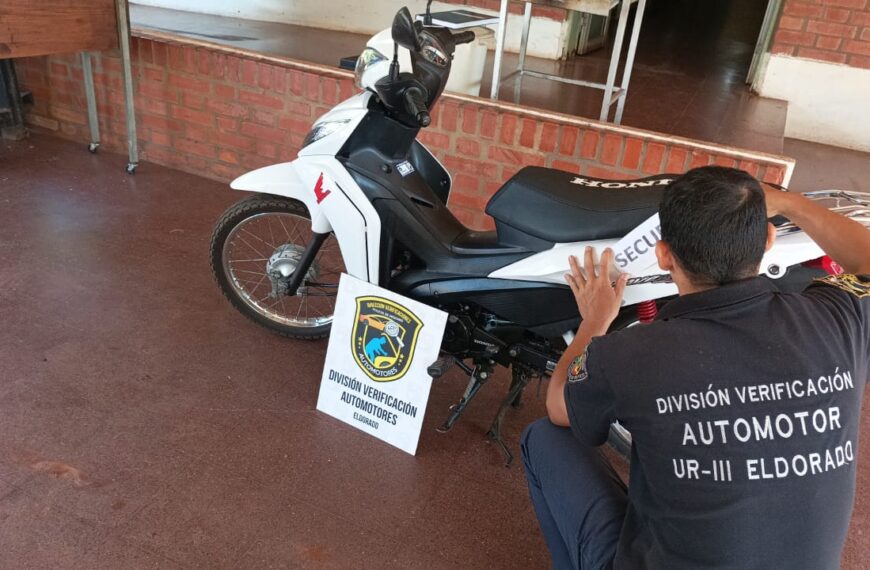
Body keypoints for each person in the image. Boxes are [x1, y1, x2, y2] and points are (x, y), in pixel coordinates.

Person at [521, 166, 870, 569]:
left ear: (664, 255)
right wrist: (791, 203)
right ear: (769, 240)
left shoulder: (630, 353)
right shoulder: (836, 320)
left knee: (544, 437)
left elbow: (558, 405)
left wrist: (594, 322)